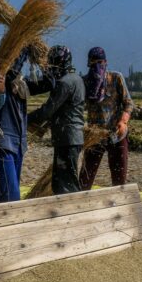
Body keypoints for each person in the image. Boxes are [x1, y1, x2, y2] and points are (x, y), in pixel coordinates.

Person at [27, 45, 86, 195]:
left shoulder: (64, 83)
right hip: (74, 137)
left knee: (65, 183)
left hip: (67, 138)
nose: (50, 67)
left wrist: (25, 119)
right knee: (66, 179)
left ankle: (72, 214)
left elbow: (47, 110)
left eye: (53, 63)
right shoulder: (77, 79)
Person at [78, 47, 133, 189]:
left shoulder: (116, 79)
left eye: (100, 62)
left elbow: (128, 103)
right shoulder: (84, 82)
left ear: (106, 62)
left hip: (117, 134)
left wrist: (123, 121)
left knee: (119, 180)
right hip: (94, 136)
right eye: (93, 63)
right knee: (85, 178)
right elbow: (78, 107)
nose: (97, 66)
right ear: (88, 64)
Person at [0, 50, 31, 202]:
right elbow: (14, 67)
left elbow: (49, 83)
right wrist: (24, 46)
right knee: (12, 194)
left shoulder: (21, 84)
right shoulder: (2, 81)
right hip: (4, 145)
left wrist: (38, 59)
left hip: (19, 145)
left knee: (4, 191)